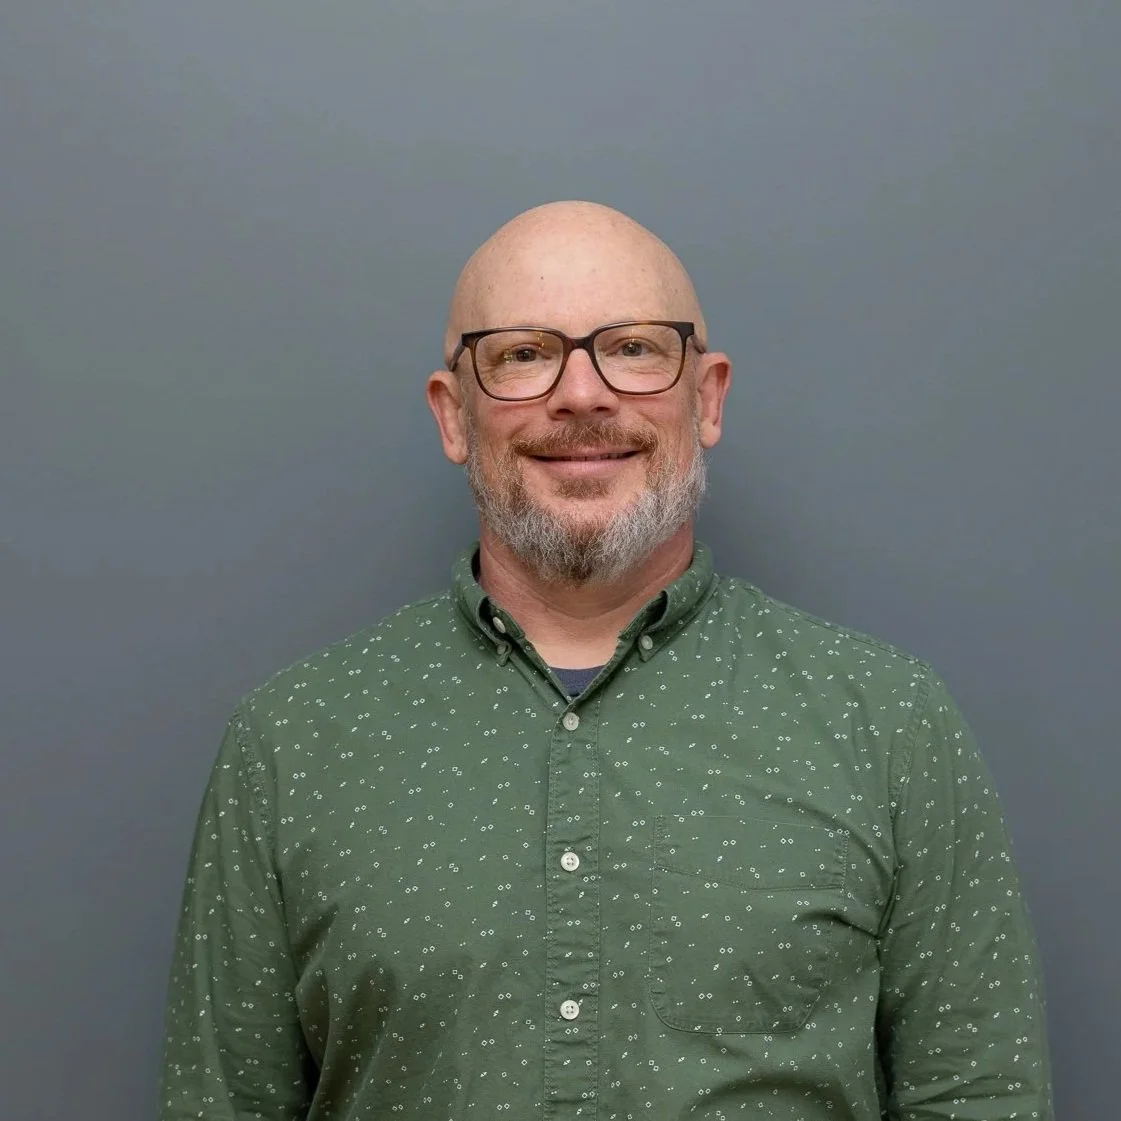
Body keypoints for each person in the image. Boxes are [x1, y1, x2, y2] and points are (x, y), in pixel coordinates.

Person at [159, 201, 1052, 1120]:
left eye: (631, 347)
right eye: (521, 353)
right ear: (451, 414)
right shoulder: (291, 743)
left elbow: (979, 1094)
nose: (581, 395)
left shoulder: (887, 720)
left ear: (705, 396)